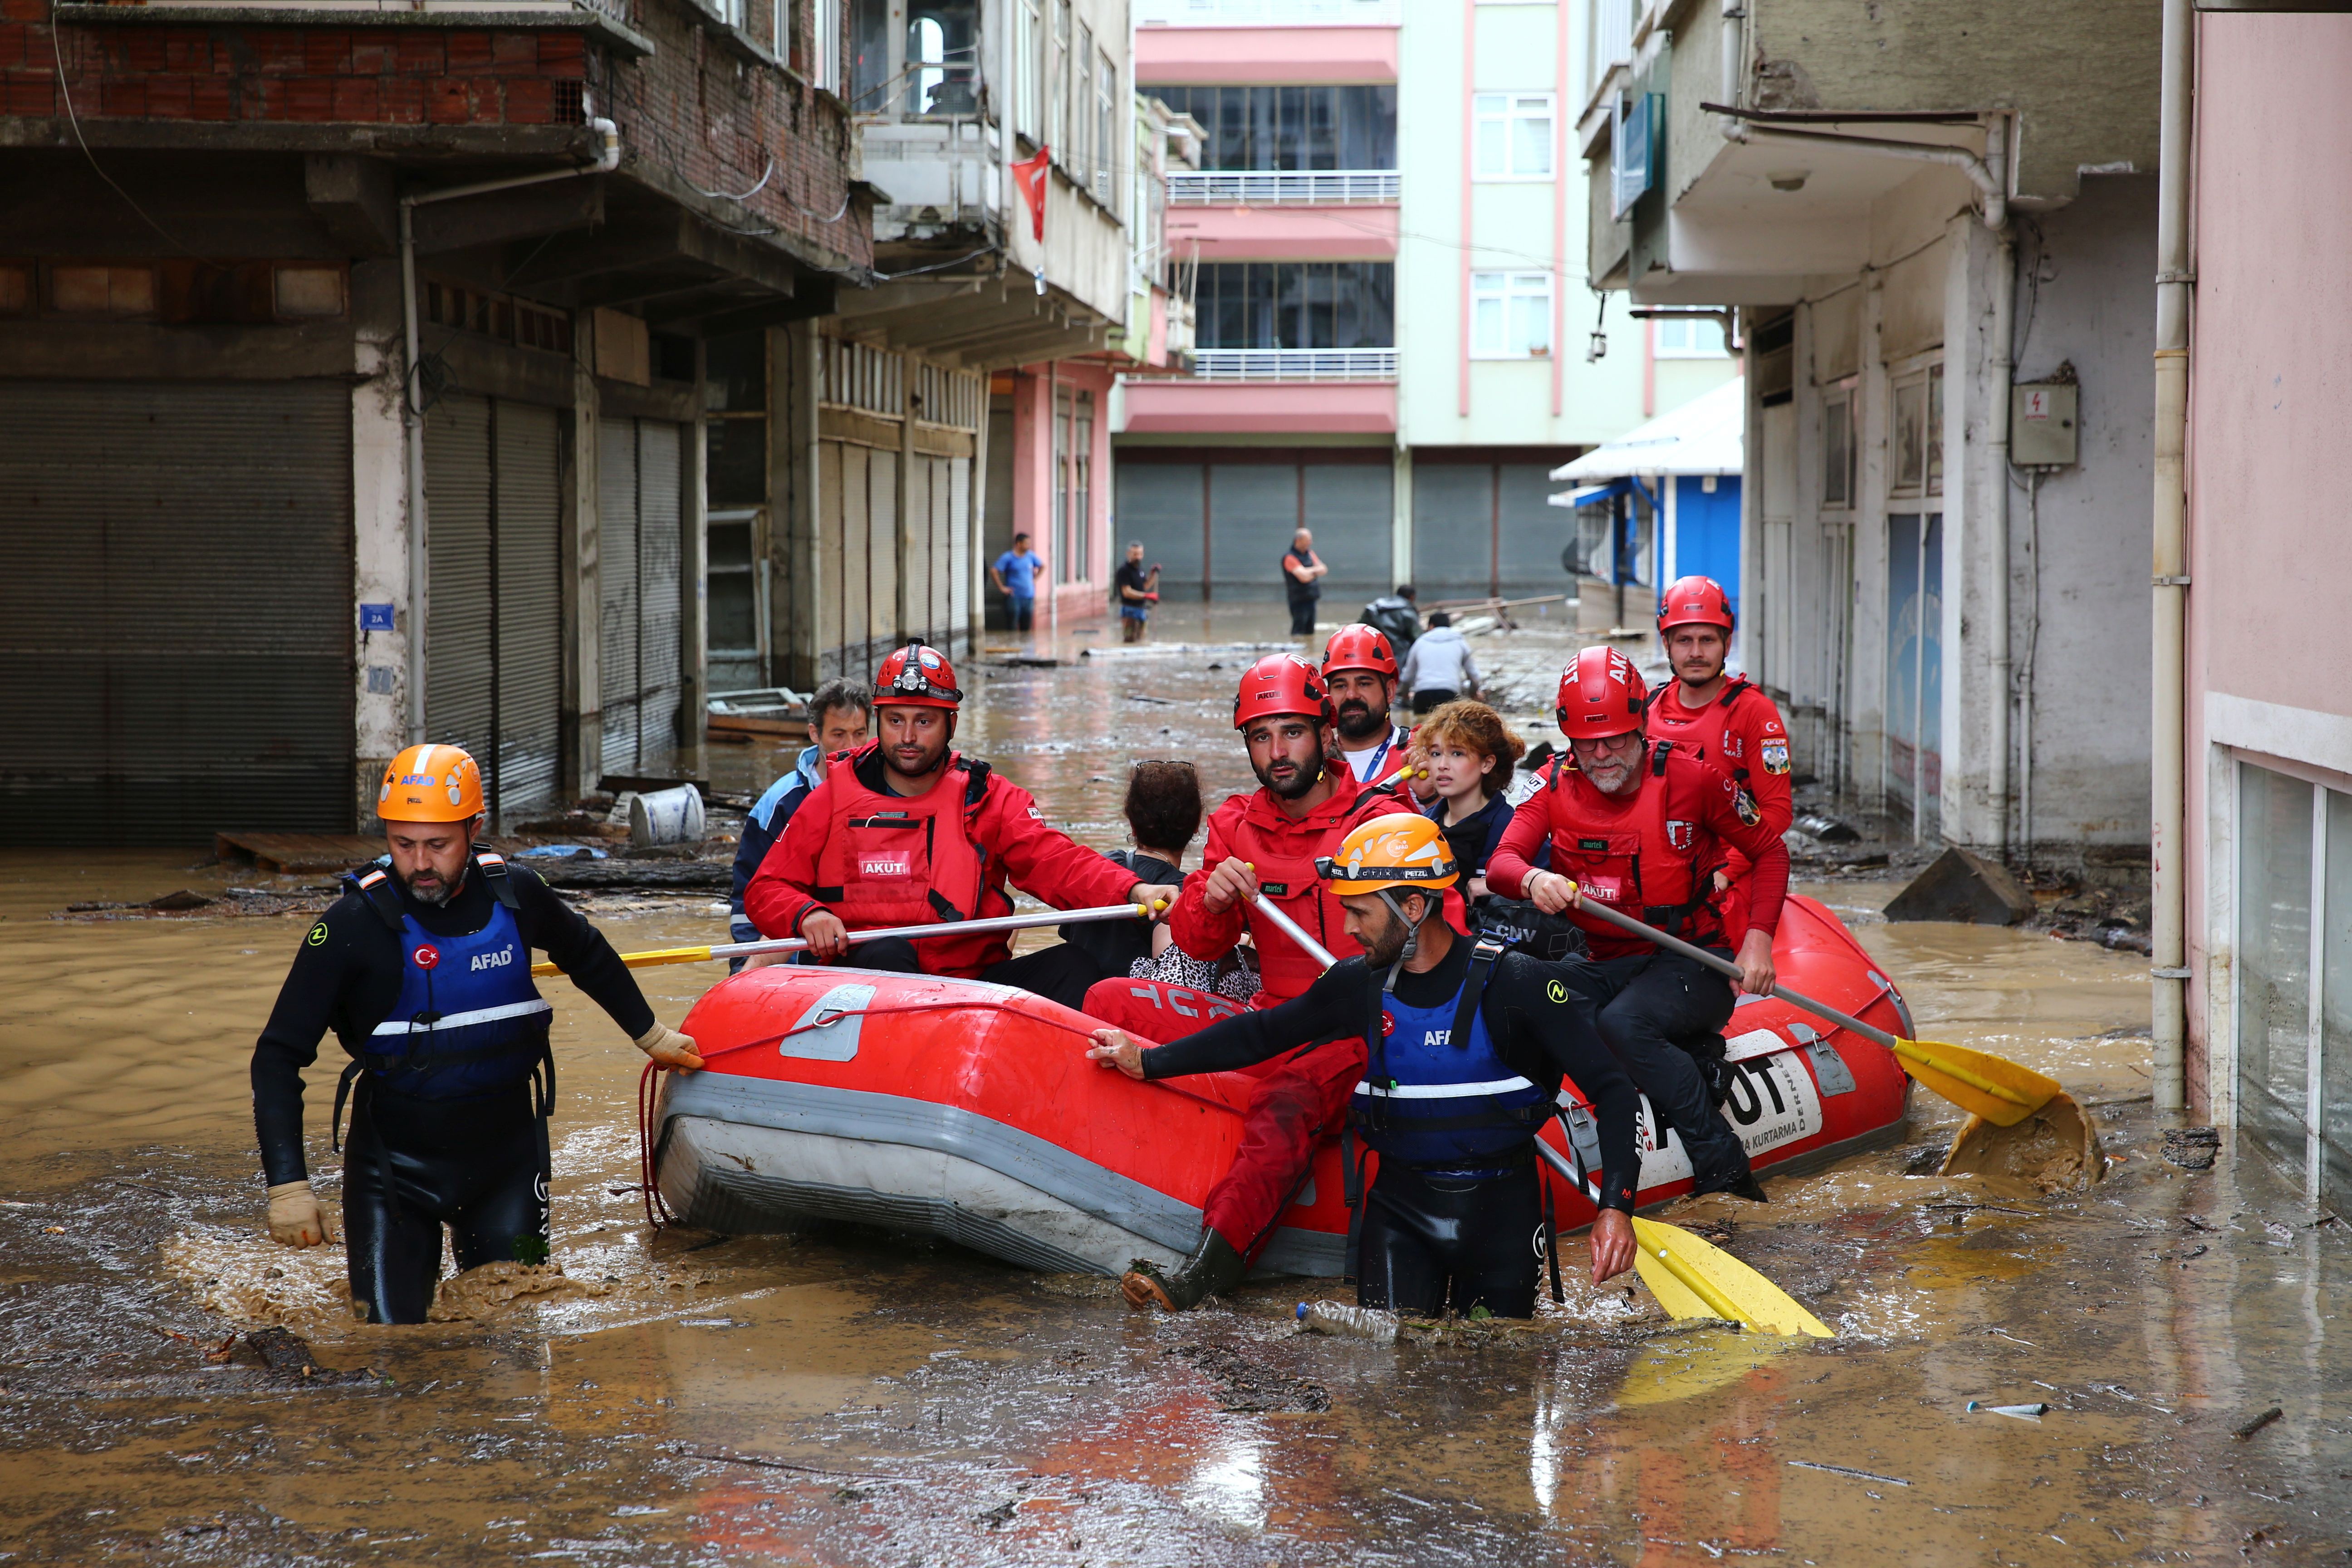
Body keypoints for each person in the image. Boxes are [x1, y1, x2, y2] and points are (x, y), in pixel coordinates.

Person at [1085, 814, 1641, 1317]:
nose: (1348, 928)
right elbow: (1260, 1034)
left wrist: (1615, 1210)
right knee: (1386, 1389)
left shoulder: (1517, 983)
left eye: (1359, 912)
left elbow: (1613, 1091)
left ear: (1415, 908)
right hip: (1399, 1214)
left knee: (1498, 1384)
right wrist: (1150, 1062)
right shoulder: (1358, 985)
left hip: (1501, 1216)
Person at [251, 744, 702, 1324]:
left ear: (474, 829)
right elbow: (278, 1056)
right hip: (394, 1170)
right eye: (402, 844)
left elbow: (585, 951)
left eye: (438, 845)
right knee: (393, 1348)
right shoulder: (351, 926)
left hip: (508, 1165)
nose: (418, 864)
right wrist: (288, 1186)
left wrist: (650, 1034)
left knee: (515, 1341)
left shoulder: (515, 894)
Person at [1079, 654, 1463, 1311]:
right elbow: (1201, 945)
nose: (1277, 752)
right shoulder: (1235, 824)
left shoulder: (1381, 816)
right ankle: (1112, 1172)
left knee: (1287, 1098)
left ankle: (1207, 1270)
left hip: (1361, 1029)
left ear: (1324, 731)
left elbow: (1443, 936)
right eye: (1261, 736)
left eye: (1291, 732)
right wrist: (1214, 900)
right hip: (1272, 1016)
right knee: (1107, 1001)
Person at [1487, 646, 1791, 1202]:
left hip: (1692, 962)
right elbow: (1504, 862)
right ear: (1568, 739)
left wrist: (1758, 943)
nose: (1602, 756)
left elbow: (1769, 851)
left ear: (1640, 728)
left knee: (1623, 1024)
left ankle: (1725, 1170)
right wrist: (1533, 881)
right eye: (1587, 743)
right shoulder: (1551, 784)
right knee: (1517, 986)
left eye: (1616, 740)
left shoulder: (1693, 779)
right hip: (1604, 959)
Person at [745, 640, 1165, 1010]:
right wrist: (807, 914)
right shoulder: (831, 799)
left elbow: (1058, 862)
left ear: (952, 724)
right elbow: (765, 889)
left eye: (924, 722)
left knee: (1074, 967)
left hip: (968, 988)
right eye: (896, 721)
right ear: (880, 721)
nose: (907, 736)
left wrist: (1134, 889)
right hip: (869, 990)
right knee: (888, 951)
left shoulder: (987, 798)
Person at [1644, 575, 1795, 945]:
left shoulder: (1755, 712)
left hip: (1726, 877)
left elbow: (1777, 811)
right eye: (1684, 640)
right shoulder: (1647, 708)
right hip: (1659, 875)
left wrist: (1727, 871)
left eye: (1707, 640)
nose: (1696, 652)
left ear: (1727, 643)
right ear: (1667, 644)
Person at [726, 678, 872, 972]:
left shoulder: (890, 794)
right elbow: (750, 896)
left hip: (867, 948)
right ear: (815, 733)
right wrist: (745, 968)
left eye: (860, 734)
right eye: (839, 734)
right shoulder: (779, 804)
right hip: (793, 957)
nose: (852, 747)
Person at [1057, 760, 1200, 982]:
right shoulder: (1180, 892)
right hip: (1122, 1010)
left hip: (1070, 1000)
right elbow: (1172, 978)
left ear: (1132, 823)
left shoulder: (1095, 867)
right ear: (1197, 824)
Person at [1415, 699, 1525, 898]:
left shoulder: (1514, 828)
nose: (1442, 765)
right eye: (1435, 753)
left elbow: (1552, 887)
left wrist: (1502, 886)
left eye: (1457, 753)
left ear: (1487, 763)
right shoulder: (1425, 825)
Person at [1323, 623, 1414, 787]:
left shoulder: (1422, 755)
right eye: (1340, 686)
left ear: (1390, 691)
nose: (1351, 695)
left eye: (1364, 684)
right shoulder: (1311, 762)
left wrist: (1429, 798)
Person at [1397, 610, 1481, 715]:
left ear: (1431, 626)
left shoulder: (1420, 642)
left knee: (1420, 728)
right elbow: (1474, 676)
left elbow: (1407, 677)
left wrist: (1405, 698)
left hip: (1422, 695)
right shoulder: (1460, 642)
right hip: (1449, 694)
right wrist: (1473, 694)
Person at [990, 532, 1043, 632]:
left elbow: (1042, 566)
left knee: (1026, 626)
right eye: (1027, 543)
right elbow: (994, 571)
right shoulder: (1008, 557)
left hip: (1028, 596)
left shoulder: (1030, 556)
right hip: (1014, 596)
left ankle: (1025, 646)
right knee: (1012, 625)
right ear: (1019, 544)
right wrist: (1002, 588)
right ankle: (1012, 646)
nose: (1029, 546)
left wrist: (1035, 580)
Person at [1283, 527, 1328, 637]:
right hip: (1298, 600)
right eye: (1307, 540)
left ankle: (1309, 652)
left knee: (1310, 631)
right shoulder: (1290, 557)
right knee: (1299, 630)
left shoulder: (1310, 554)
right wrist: (1314, 571)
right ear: (1298, 541)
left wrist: (1309, 571)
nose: (1310, 543)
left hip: (1311, 598)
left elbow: (1324, 569)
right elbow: (1303, 577)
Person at [1114, 542, 1161, 644]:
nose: (1138, 557)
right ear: (1128, 554)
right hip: (1130, 611)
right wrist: (1147, 596)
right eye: (1135, 554)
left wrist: (1153, 574)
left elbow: (1145, 586)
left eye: (1140, 554)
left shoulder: (1140, 570)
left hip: (1141, 611)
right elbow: (1127, 592)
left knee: (1141, 640)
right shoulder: (1124, 570)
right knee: (1130, 640)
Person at [1359, 583, 1421, 658]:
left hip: (1375, 654)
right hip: (1400, 657)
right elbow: (1418, 638)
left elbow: (1360, 630)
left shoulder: (1374, 608)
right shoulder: (1407, 611)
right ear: (1412, 597)